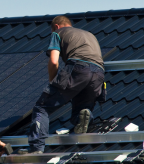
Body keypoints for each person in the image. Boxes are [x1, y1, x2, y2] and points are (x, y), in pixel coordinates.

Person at [25, 15, 105, 154]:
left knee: (41, 107)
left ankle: (36, 147)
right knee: (81, 111)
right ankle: (85, 114)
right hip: (99, 74)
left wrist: (53, 83)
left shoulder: (57, 33)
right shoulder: (89, 34)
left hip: (78, 68)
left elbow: (54, 61)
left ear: (56, 26)